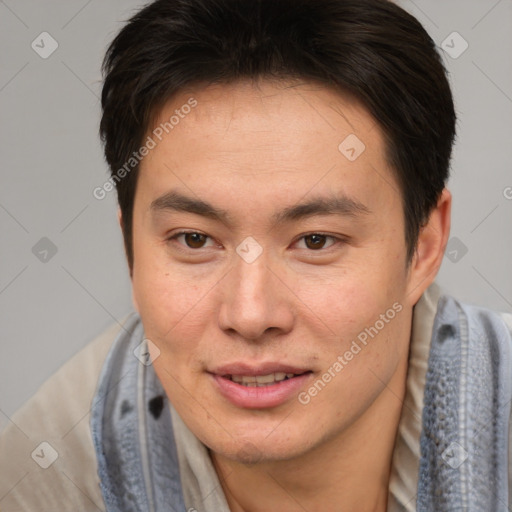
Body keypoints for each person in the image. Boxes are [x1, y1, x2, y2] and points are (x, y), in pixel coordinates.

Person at [1, 0, 511, 510]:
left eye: (315, 241)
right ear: (130, 250)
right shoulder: (40, 480)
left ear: (423, 248)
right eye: (194, 240)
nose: (250, 314)